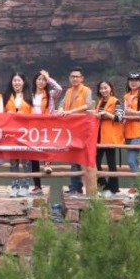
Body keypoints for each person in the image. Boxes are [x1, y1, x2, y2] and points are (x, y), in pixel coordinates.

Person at [58, 67, 92, 195]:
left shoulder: (86, 90)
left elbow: (88, 105)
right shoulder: (68, 92)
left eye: (77, 76)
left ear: (82, 78)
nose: (75, 78)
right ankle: (75, 186)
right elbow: (61, 104)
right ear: (69, 78)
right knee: (72, 158)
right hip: (70, 129)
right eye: (73, 76)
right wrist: (61, 109)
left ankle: (78, 186)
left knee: (80, 158)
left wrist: (71, 112)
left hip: (82, 127)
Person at [29, 70, 62, 194]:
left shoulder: (50, 94)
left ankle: (47, 164)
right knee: (34, 157)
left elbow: (59, 89)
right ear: (35, 81)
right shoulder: (30, 94)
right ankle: (37, 185)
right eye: (39, 79)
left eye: (43, 80)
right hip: (32, 127)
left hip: (46, 126)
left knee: (47, 147)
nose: (41, 81)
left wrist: (49, 77)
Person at [5, 73, 33, 197]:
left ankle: (26, 186)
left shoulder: (29, 96)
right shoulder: (6, 96)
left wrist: (24, 115)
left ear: (23, 82)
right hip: (10, 132)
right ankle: (14, 186)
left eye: (19, 80)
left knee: (26, 160)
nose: (16, 83)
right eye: (14, 80)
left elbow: (35, 114)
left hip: (25, 132)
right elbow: (0, 113)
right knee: (13, 160)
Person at [93, 80, 123, 198]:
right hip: (98, 136)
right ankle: (104, 185)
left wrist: (107, 114)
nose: (103, 90)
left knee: (111, 163)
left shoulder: (116, 101)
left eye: (105, 88)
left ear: (111, 88)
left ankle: (114, 189)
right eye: (101, 88)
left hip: (110, 136)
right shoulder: (99, 102)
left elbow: (120, 117)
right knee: (95, 162)